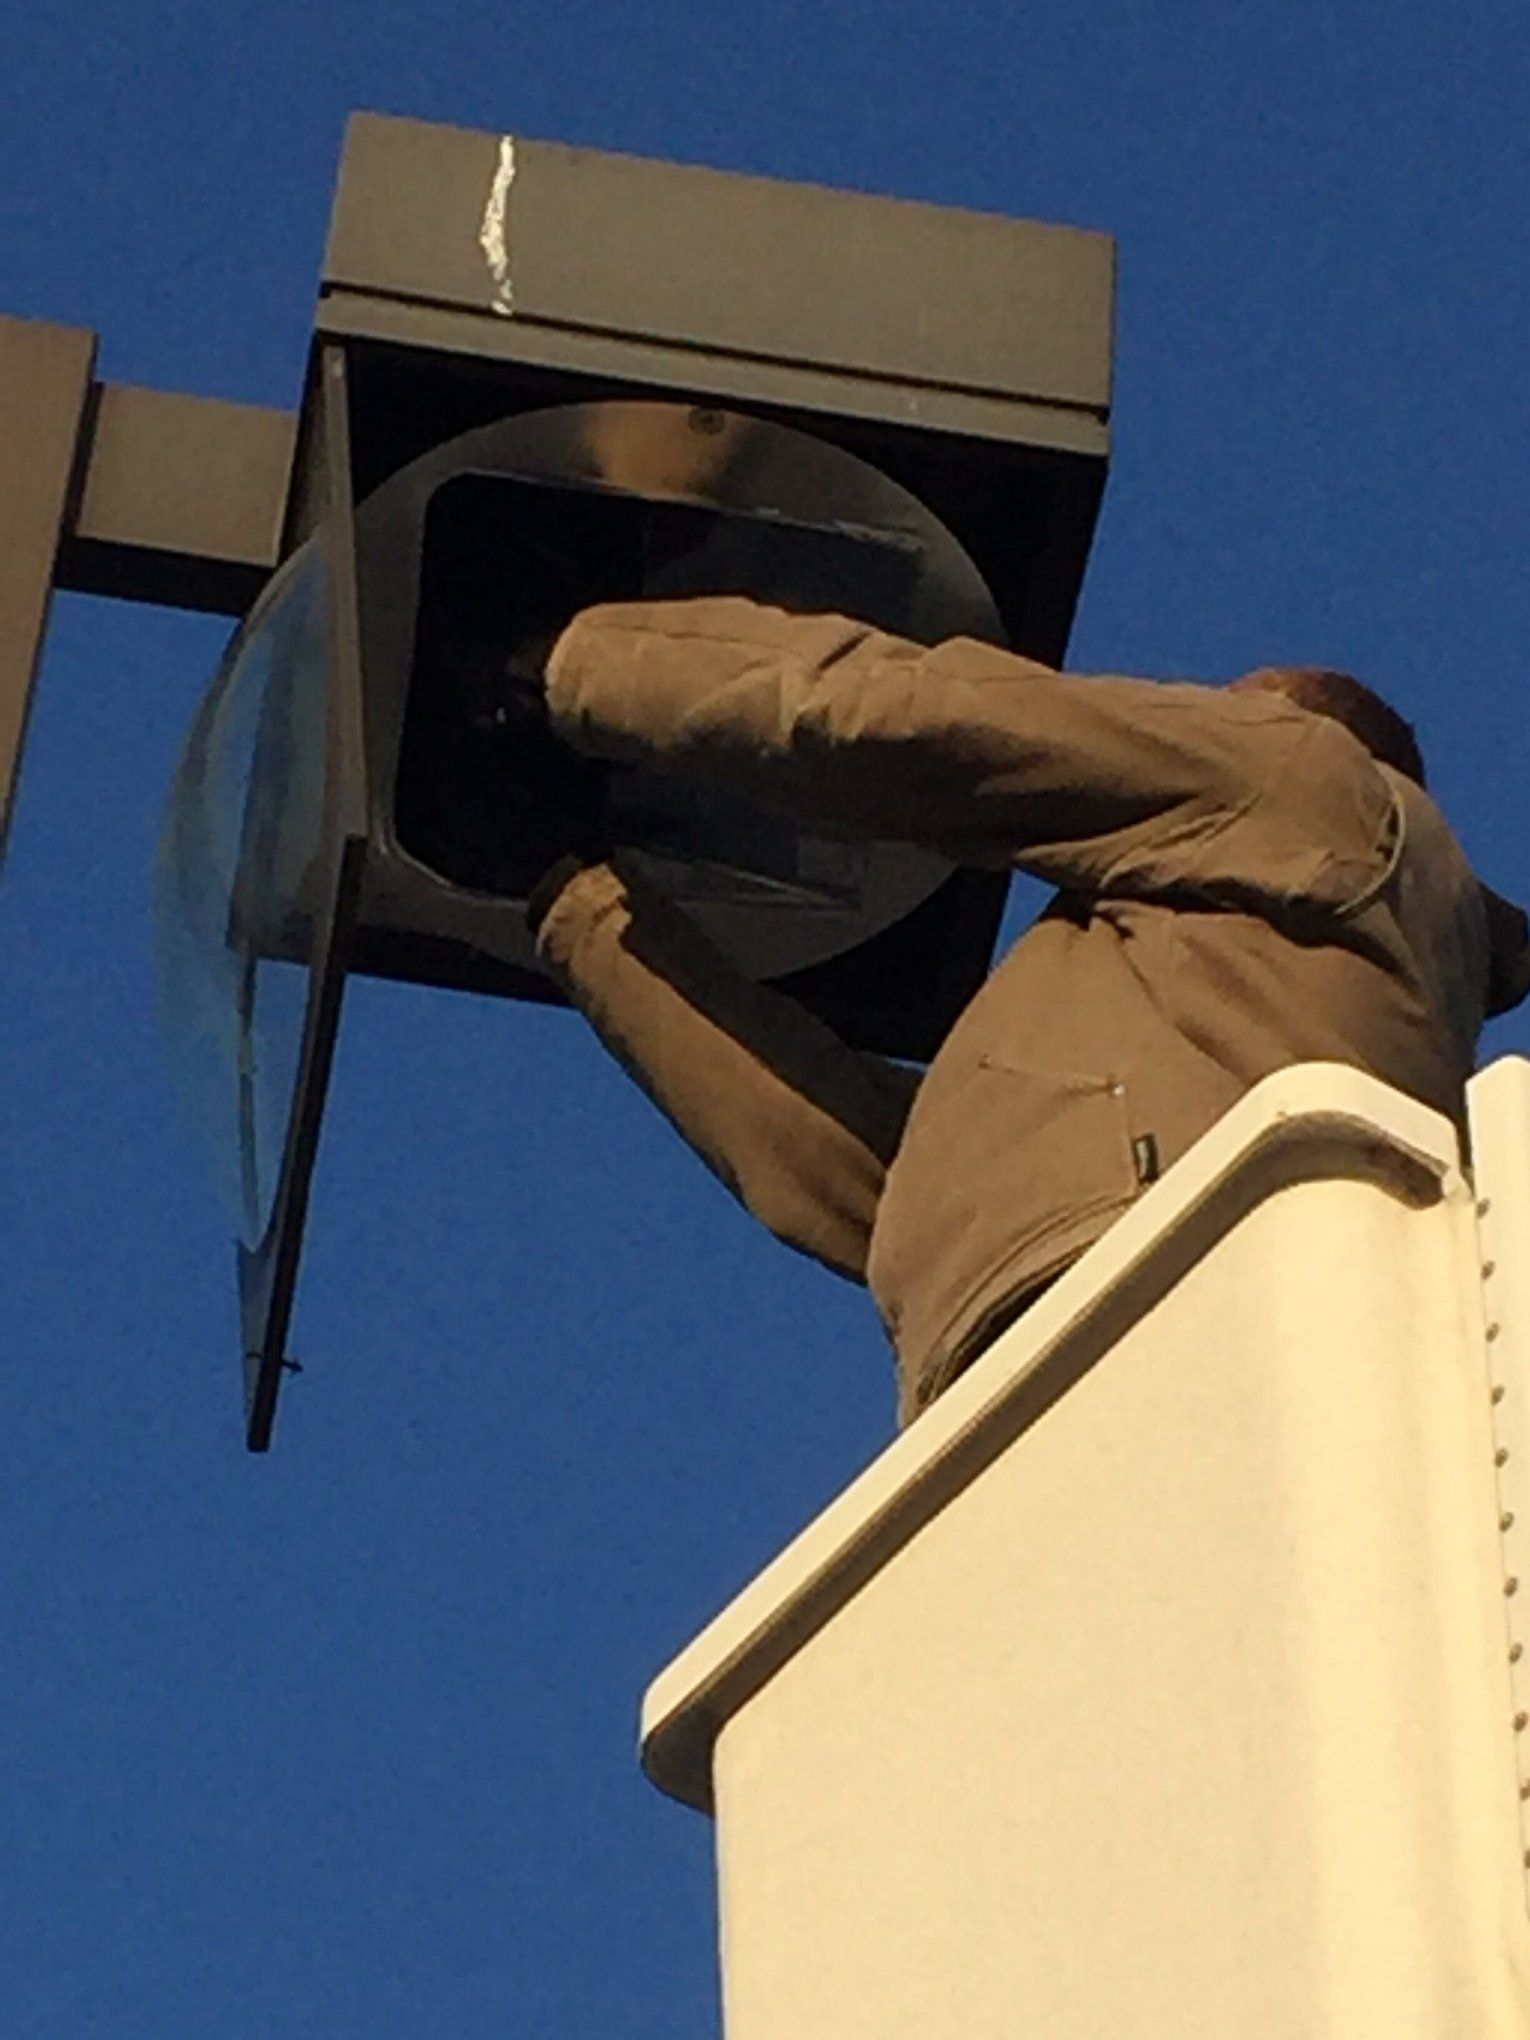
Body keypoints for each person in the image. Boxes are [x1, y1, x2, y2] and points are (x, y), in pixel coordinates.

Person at [512, 595, 1530, 1425]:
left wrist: (571, 659)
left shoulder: (1311, 779)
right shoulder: (1224, 1004)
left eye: (1221, 712)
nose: (1188, 724)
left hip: (1131, 1312)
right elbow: (855, 1181)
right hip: (1056, 1371)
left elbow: (921, 722)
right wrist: (580, 912)